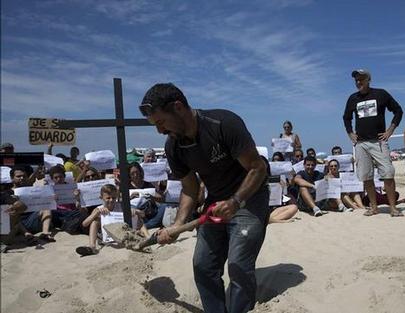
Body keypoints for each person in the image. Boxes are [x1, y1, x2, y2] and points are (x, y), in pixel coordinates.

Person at [139, 83, 270, 313]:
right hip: (214, 203)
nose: (159, 130)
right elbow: (190, 189)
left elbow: (257, 168)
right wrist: (177, 225)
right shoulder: (173, 146)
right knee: (203, 265)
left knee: (239, 265)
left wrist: (235, 202)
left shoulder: (223, 124)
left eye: (161, 122)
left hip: (249, 198)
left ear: (178, 107)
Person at [343, 68, 404, 217]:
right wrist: (350, 133)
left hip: (378, 142)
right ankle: (374, 207)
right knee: (366, 176)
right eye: (356, 80)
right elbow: (346, 117)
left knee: (388, 173)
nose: (359, 82)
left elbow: (398, 111)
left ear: (368, 79)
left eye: (361, 79)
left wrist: (390, 131)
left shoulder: (380, 94)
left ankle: (393, 208)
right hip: (361, 144)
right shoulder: (352, 98)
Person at [2, 166, 55, 244]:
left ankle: (45, 233)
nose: (22, 178)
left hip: (31, 218)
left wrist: (49, 193)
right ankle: (26, 234)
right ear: (12, 178)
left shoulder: (30, 189)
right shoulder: (7, 193)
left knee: (46, 208)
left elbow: (43, 200)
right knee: (13, 213)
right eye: (18, 176)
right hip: (17, 223)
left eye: (24, 176)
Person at [76, 184, 122, 256]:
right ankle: (92, 246)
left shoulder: (120, 206)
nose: (111, 200)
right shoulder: (98, 209)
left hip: (119, 232)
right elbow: (84, 224)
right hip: (105, 236)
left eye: (113, 197)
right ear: (101, 198)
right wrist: (96, 214)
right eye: (108, 198)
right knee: (95, 221)